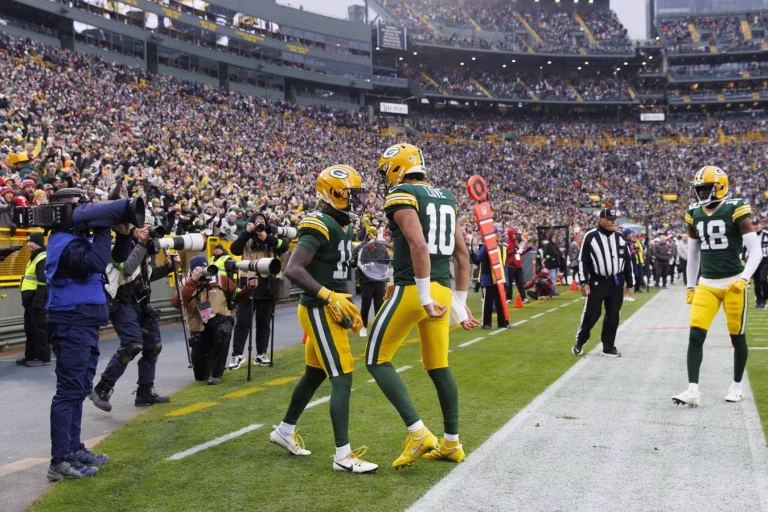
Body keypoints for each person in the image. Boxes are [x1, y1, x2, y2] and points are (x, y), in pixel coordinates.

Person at [366, 143, 480, 469]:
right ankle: (452, 444)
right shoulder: (446, 196)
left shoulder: (402, 193)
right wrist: (459, 304)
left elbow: (418, 245)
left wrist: (424, 296)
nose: (385, 178)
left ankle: (418, 434)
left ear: (397, 168)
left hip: (415, 289)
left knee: (376, 359)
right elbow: (462, 255)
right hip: (442, 290)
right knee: (438, 366)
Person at [271, 165, 378, 473]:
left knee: (314, 374)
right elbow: (293, 269)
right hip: (318, 309)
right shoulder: (318, 223)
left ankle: (284, 430)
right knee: (343, 375)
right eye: (351, 195)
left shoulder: (342, 225)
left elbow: (337, 270)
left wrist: (348, 304)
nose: (356, 201)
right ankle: (343, 456)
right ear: (333, 194)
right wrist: (329, 297)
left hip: (330, 307)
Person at [45, 188, 132, 480]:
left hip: (83, 322)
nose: (86, 211)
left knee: (80, 388)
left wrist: (123, 235)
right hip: (70, 322)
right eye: (79, 206)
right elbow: (96, 262)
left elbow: (115, 260)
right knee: (69, 391)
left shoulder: (77, 240)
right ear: (61, 212)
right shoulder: (62, 242)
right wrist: (103, 224)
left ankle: (73, 449)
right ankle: (60, 461)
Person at [673, 167, 762, 407]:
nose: (701, 193)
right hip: (707, 284)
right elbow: (693, 255)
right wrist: (690, 285)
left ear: (720, 187)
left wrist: (744, 278)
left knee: (737, 335)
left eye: (706, 188)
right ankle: (693, 390)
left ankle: (736, 386)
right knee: (695, 334)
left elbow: (756, 251)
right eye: (699, 189)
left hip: (733, 282)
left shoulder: (735, 208)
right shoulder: (694, 212)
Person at [89, 226, 177, 412]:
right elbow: (128, 269)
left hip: (142, 302)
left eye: (148, 227)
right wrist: (142, 244)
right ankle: (102, 387)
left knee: (153, 346)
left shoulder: (147, 248)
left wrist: (169, 267)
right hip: (121, 302)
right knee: (132, 345)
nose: (146, 230)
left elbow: (147, 275)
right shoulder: (118, 246)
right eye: (141, 226)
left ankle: (145, 391)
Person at [227, 212, 289, 370]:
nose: (260, 225)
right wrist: (247, 233)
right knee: (243, 321)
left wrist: (266, 237)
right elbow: (235, 249)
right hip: (249, 283)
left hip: (268, 284)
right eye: (257, 222)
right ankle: (237, 354)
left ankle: (261, 354)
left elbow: (284, 246)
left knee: (264, 322)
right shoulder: (246, 238)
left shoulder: (272, 236)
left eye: (262, 222)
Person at [572, 208, 634, 358]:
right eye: (610, 219)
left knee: (613, 315)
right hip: (597, 282)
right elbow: (583, 261)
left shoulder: (620, 238)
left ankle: (608, 347)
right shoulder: (591, 236)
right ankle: (580, 340)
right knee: (592, 314)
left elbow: (627, 262)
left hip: (616, 282)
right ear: (601, 220)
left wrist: (630, 283)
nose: (613, 222)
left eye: (614, 219)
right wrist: (584, 282)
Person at [171, 255, 237, 385]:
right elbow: (176, 303)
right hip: (199, 330)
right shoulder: (186, 282)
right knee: (201, 376)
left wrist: (248, 289)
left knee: (223, 332)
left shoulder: (220, 279)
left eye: (204, 268)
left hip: (220, 320)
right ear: (192, 271)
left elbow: (237, 294)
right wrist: (193, 281)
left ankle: (216, 374)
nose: (203, 271)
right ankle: (211, 361)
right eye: (198, 269)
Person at [16, 232, 49, 367]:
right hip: (30, 302)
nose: (28, 244)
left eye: (31, 242)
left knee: (39, 328)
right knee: (30, 329)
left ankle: (43, 357)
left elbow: (43, 282)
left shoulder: (42, 258)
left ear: (38, 243)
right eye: (27, 241)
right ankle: (30, 355)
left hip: (36, 301)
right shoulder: (34, 257)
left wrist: (38, 300)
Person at [350, 235, 390, 338]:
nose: (373, 236)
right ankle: (363, 327)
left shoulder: (382, 248)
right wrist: (358, 256)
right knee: (365, 305)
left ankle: (377, 328)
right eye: (371, 233)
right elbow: (352, 263)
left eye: (375, 234)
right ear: (366, 235)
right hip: (365, 280)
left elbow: (387, 261)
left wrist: (384, 274)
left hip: (380, 280)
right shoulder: (359, 248)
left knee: (379, 305)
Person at [478, 227, 509, 329]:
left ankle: (502, 322)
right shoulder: (486, 246)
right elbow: (479, 258)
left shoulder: (502, 247)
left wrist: (506, 280)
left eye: (499, 233)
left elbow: (504, 264)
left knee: (501, 302)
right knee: (488, 302)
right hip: (489, 278)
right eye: (496, 233)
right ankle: (486, 323)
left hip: (500, 278)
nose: (498, 234)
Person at [505, 228, 528, 304]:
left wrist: (525, 250)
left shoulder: (516, 242)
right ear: (510, 234)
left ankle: (523, 297)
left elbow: (518, 252)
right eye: (514, 234)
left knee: (520, 282)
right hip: (510, 266)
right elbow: (505, 253)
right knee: (509, 283)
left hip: (518, 265)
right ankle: (508, 298)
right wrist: (513, 250)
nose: (515, 235)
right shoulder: (506, 243)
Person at [754, 219, 768, 309]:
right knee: (756, 282)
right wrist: (744, 257)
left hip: (765, 260)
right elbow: (745, 247)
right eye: (753, 224)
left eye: (757, 224)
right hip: (754, 261)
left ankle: (764, 299)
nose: (755, 226)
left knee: (763, 280)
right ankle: (759, 301)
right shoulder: (750, 236)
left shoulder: (766, 234)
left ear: (761, 224)